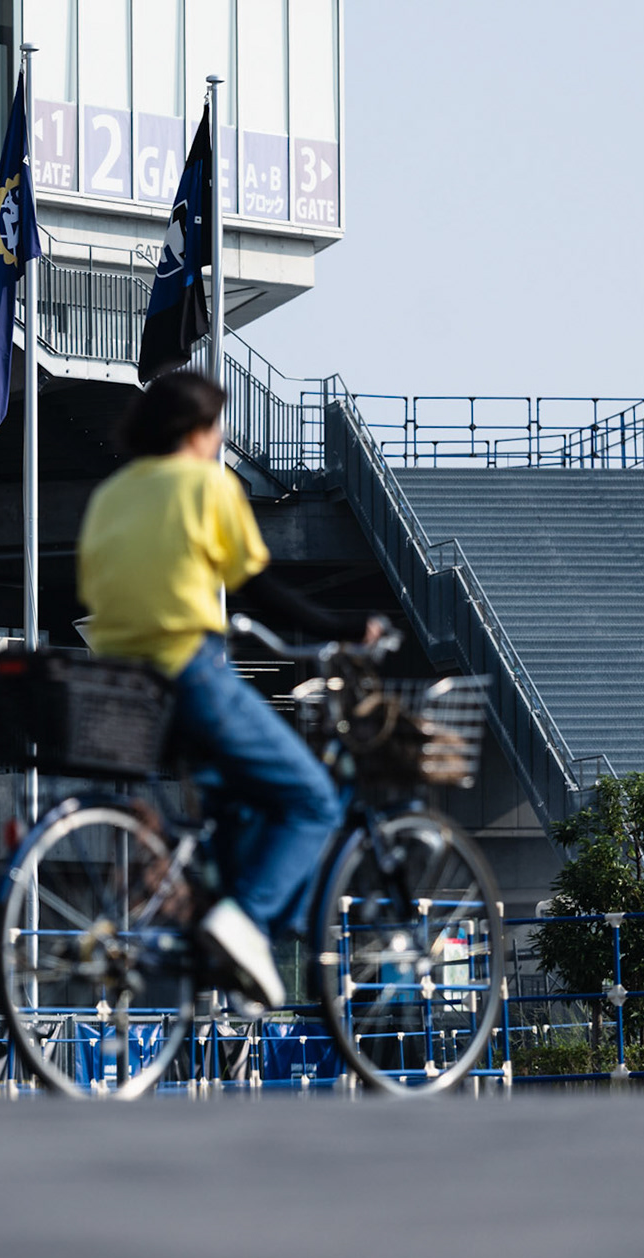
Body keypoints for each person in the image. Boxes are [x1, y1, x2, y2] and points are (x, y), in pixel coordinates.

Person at [75, 370, 384, 1009]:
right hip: (188, 670)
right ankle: (243, 926)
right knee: (313, 802)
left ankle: (231, 949)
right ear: (196, 431)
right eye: (217, 428)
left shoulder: (110, 494)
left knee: (241, 809)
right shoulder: (207, 484)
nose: (220, 441)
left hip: (121, 687)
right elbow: (258, 586)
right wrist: (345, 627)